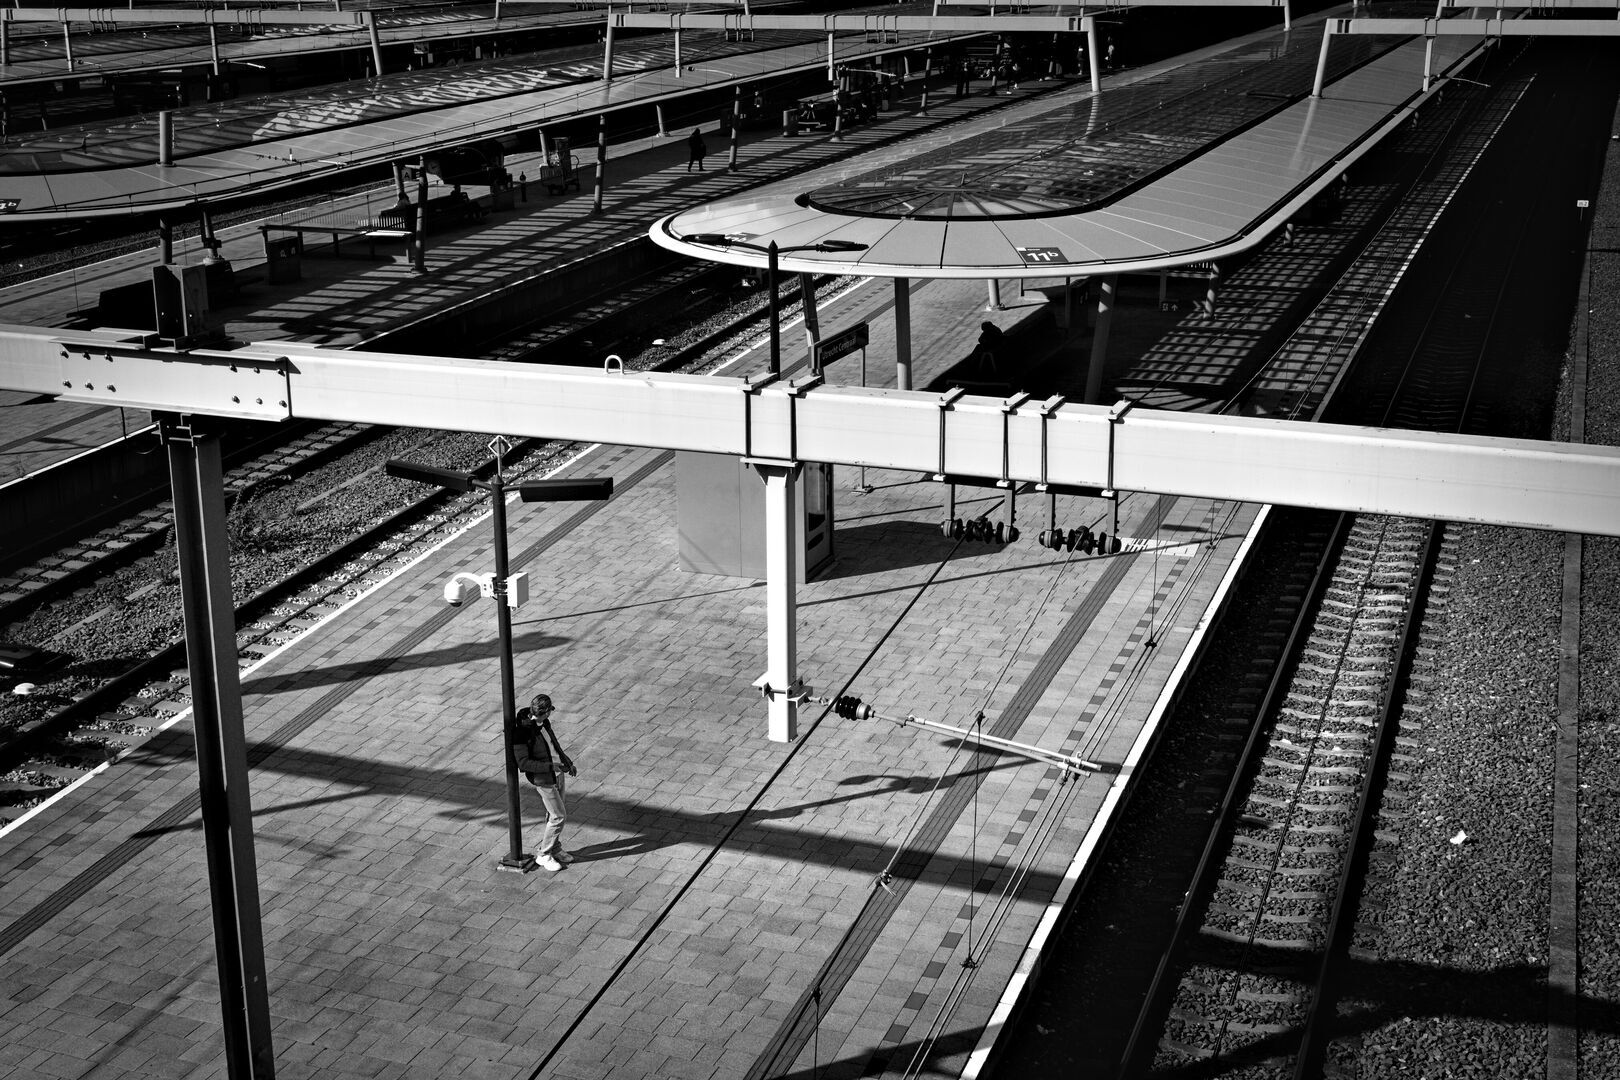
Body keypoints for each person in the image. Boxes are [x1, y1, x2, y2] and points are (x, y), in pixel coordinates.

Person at [514, 692, 576, 872]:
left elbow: (553, 745)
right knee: (558, 816)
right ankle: (544, 854)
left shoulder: (544, 723)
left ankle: (555, 848)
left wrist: (567, 763)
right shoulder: (521, 733)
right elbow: (523, 763)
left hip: (558, 773)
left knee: (553, 815)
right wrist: (552, 766)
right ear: (546, 712)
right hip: (544, 779)